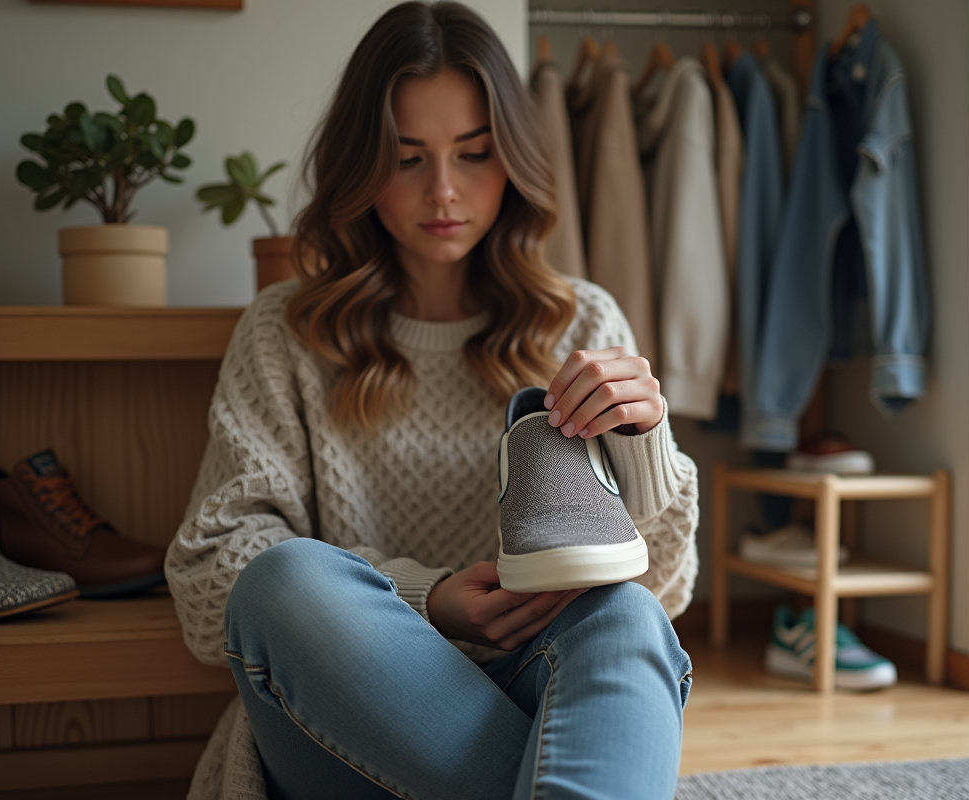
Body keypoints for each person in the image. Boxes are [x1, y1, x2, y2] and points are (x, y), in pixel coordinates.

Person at [166, 3, 700, 798]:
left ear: (513, 158)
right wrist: (429, 602)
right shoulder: (287, 330)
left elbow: (663, 586)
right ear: (360, 165)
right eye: (408, 158)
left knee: (627, 621)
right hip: (339, 724)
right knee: (285, 580)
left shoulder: (582, 321)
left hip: (534, 689)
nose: (444, 191)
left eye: (475, 154)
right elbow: (212, 580)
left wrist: (646, 441)